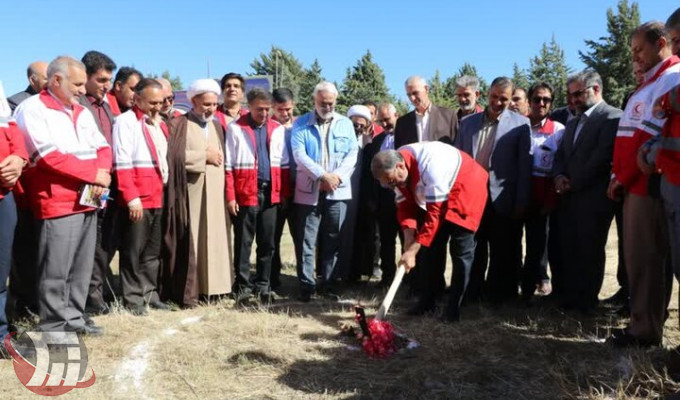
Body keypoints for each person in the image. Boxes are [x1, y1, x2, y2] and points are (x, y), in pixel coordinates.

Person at [15, 56, 112, 336]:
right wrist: (93, 173)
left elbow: (103, 147)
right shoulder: (31, 109)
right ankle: (55, 327)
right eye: (78, 84)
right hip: (57, 199)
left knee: (82, 265)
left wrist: (101, 173)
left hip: (89, 196)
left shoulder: (81, 110)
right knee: (56, 268)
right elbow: (47, 157)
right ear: (56, 80)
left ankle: (74, 319)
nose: (83, 90)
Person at [607, 21, 680, 348]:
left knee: (648, 259)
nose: (634, 57)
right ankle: (643, 323)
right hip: (632, 184)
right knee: (640, 259)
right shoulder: (651, 83)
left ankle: (645, 329)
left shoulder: (670, 79)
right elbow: (627, 139)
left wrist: (624, 177)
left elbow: (647, 140)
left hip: (646, 185)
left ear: (661, 43)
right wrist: (617, 175)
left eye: (639, 49)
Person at [371, 141, 488, 321]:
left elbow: (434, 215)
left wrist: (413, 250)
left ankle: (455, 307)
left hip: (466, 186)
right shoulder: (397, 170)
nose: (392, 186)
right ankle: (428, 300)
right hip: (440, 193)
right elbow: (405, 207)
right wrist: (409, 241)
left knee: (460, 250)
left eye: (392, 181)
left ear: (401, 166)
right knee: (430, 248)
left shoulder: (430, 165)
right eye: (387, 184)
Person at [455, 76, 532, 305]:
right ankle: (471, 293)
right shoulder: (467, 123)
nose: (498, 102)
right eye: (494, 96)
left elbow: (524, 167)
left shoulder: (521, 124)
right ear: (487, 93)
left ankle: (498, 296)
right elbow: (458, 161)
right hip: (471, 197)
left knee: (502, 250)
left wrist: (521, 201)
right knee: (473, 249)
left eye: (504, 99)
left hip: (502, 197)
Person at [551, 71, 621, 312]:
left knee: (590, 250)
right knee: (570, 248)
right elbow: (560, 154)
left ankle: (587, 302)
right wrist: (559, 176)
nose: (573, 100)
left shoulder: (612, 117)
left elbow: (602, 158)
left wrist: (574, 182)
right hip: (569, 197)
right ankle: (572, 297)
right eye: (570, 95)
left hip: (593, 198)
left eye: (578, 94)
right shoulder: (573, 121)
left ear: (596, 89)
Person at [164, 79, 234, 307]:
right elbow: (172, 158)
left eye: (214, 104)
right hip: (190, 193)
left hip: (215, 193)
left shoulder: (216, 126)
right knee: (194, 239)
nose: (211, 109)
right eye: (206, 104)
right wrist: (203, 157)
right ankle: (193, 289)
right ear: (193, 101)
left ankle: (215, 288)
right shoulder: (179, 124)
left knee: (214, 239)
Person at [291, 81, 358, 302]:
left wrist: (335, 178)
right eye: (323, 102)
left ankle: (328, 283)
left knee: (333, 238)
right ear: (314, 101)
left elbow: (352, 155)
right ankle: (306, 286)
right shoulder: (300, 123)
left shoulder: (346, 124)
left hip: (337, 191)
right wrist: (322, 176)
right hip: (309, 191)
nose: (327, 106)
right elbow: (299, 155)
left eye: (330, 103)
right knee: (307, 240)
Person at [113, 78, 171, 315]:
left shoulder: (159, 124)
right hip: (139, 197)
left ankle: (150, 293)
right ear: (137, 99)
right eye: (152, 102)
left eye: (161, 102)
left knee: (152, 251)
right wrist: (131, 198)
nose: (158, 106)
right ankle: (132, 298)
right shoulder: (125, 122)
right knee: (133, 250)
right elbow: (122, 162)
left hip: (157, 194)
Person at [226, 88, 290, 303]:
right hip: (246, 194)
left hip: (270, 194)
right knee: (243, 242)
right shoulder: (236, 128)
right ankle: (242, 286)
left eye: (266, 109)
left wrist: (283, 194)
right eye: (258, 109)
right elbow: (228, 165)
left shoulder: (278, 129)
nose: (263, 113)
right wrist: (231, 196)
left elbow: (284, 164)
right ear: (249, 106)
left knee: (267, 243)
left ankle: (263, 284)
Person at [79, 50, 118, 317]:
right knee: (87, 239)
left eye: (109, 79)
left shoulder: (106, 106)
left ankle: (96, 291)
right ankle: (85, 300)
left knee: (103, 238)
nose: (107, 85)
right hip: (89, 183)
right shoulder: (79, 105)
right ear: (86, 76)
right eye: (102, 79)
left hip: (108, 183)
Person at [521, 81, 565, 302]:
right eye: (537, 99)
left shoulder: (558, 131)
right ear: (529, 101)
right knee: (511, 244)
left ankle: (529, 290)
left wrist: (551, 200)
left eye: (546, 100)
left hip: (543, 197)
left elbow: (560, 166)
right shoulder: (519, 127)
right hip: (519, 194)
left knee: (537, 246)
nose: (541, 103)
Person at [0, 83, 28, 356]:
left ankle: (0, 336)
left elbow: (12, 132)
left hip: (3, 195)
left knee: (1, 270)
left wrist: (19, 158)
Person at [340, 105, 378, 282]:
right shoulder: (341, 139)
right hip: (343, 192)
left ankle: (360, 272)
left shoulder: (371, 142)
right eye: (354, 124)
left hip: (363, 196)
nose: (358, 128)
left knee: (363, 235)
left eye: (361, 125)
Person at [270, 88, 297, 290]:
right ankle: (273, 277)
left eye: (288, 109)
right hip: (277, 191)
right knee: (273, 237)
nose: (285, 113)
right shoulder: (268, 127)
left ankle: (303, 278)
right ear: (273, 108)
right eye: (280, 109)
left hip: (300, 191)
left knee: (300, 237)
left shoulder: (300, 126)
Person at [372, 103, 401, 285]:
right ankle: (387, 276)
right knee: (386, 240)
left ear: (396, 115)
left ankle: (409, 279)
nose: (384, 124)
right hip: (385, 198)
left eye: (387, 119)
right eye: (381, 121)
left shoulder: (408, 137)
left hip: (405, 196)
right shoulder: (377, 141)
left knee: (407, 237)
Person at [394, 75, 458, 148]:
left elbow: (457, 147)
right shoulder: (402, 123)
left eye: (415, 93)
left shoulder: (448, 116)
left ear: (426, 89)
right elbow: (399, 153)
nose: (412, 98)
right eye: (409, 95)